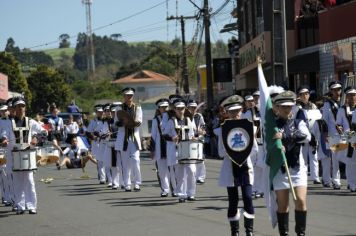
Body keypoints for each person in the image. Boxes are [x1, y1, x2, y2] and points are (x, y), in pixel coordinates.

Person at [215, 95, 256, 236]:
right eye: (232, 111)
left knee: (248, 198)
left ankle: (249, 230)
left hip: (246, 167)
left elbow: (254, 148)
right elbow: (220, 152)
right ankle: (235, 231)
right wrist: (234, 151)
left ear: (242, 110)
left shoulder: (249, 126)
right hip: (230, 168)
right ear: (227, 112)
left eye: (238, 110)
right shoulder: (223, 129)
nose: (236, 114)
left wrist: (243, 152)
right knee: (233, 201)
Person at [272, 91, 311, 236]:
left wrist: (287, 137)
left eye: (289, 106)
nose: (287, 109)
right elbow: (267, 147)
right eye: (283, 107)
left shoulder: (298, 122)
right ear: (277, 108)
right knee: (283, 205)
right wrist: (276, 146)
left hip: (297, 167)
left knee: (300, 200)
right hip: (280, 169)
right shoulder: (272, 126)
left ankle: (301, 233)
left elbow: (307, 137)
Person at [0, 97, 44, 214]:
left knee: (29, 180)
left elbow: (43, 132)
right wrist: (4, 140)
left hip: (28, 154)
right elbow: (4, 135)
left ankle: (31, 205)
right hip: (13, 155)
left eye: (22, 106)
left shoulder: (31, 122)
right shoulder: (9, 123)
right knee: (17, 181)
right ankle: (20, 205)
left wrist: (35, 138)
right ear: (14, 109)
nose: (21, 108)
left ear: (25, 107)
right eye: (18, 106)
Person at [163, 98, 197, 203]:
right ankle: (182, 194)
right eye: (178, 109)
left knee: (191, 170)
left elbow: (192, 134)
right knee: (180, 173)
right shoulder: (171, 121)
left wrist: (194, 138)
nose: (180, 110)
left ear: (185, 109)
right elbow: (164, 135)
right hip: (176, 149)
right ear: (175, 109)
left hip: (187, 149)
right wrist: (172, 138)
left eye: (182, 108)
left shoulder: (188, 120)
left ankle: (191, 193)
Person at [114, 87, 143, 192]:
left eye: (131, 95)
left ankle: (137, 183)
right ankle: (127, 183)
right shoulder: (118, 108)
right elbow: (116, 123)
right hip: (123, 138)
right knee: (125, 162)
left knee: (136, 160)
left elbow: (139, 121)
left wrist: (132, 123)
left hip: (134, 137)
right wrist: (123, 122)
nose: (129, 97)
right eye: (127, 95)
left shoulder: (138, 107)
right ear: (124, 96)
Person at [295, 85, 322, 184]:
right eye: (302, 94)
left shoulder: (313, 106)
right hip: (301, 134)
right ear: (299, 95)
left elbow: (317, 119)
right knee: (303, 158)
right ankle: (303, 176)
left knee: (314, 156)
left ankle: (316, 177)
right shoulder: (297, 107)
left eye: (307, 94)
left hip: (313, 134)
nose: (305, 96)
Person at [150, 98, 176, 197]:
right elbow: (153, 135)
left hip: (170, 147)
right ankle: (165, 189)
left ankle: (175, 189)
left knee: (173, 170)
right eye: (162, 107)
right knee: (162, 171)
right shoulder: (155, 119)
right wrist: (152, 149)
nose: (165, 109)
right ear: (159, 108)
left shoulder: (172, 118)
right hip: (159, 148)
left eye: (166, 107)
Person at [322, 81, 342, 189]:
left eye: (338, 89)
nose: (337, 92)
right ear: (331, 91)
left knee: (349, 158)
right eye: (334, 90)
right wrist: (325, 135)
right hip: (333, 134)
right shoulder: (327, 104)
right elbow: (324, 121)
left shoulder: (344, 102)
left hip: (346, 134)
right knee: (335, 159)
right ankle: (336, 180)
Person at [336, 86, 356, 191]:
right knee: (350, 161)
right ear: (346, 97)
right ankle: (352, 184)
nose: (352, 97)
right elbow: (338, 124)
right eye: (349, 95)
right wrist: (339, 129)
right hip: (348, 136)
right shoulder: (342, 110)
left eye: (354, 95)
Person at [187, 99, 207, 184]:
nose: (193, 109)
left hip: (198, 139)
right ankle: (193, 176)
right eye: (191, 107)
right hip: (188, 140)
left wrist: (202, 131)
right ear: (188, 107)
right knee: (191, 159)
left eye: (194, 107)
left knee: (200, 159)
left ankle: (201, 177)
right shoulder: (185, 116)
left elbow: (203, 126)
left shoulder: (199, 116)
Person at [86, 104, 106, 184]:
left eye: (101, 112)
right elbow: (88, 132)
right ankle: (102, 177)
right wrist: (94, 137)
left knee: (107, 160)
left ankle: (107, 176)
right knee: (100, 160)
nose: (100, 113)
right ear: (96, 112)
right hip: (97, 142)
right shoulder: (93, 121)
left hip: (105, 141)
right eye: (99, 112)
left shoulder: (106, 120)